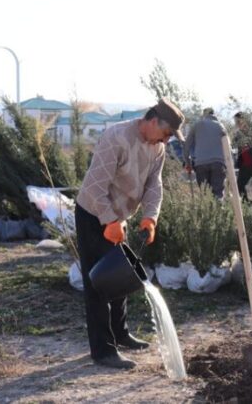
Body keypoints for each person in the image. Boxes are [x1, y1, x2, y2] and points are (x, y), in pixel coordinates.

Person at [75, 99, 185, 370]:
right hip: (93, 213)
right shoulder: (116, 137)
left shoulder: (157, 147)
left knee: (119, 274)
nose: (167, 139)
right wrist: (109, 221)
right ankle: (103, 350)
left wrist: (150, 216)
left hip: (120, 217)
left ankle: (121, 334)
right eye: (167, 132)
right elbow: (94, 187)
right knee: (98, 281)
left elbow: (153, 184)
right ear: (152, 121)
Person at [183, 107, 227, 198]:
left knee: (205, 195)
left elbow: (186, 146)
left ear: (204, 115)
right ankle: (218, 210)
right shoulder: (221, 126)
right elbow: (227, 147)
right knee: (218, 194)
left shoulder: (197, 125)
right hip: (218, 163)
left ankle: (207, 211)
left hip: (201, 164)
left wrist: (188, 163)